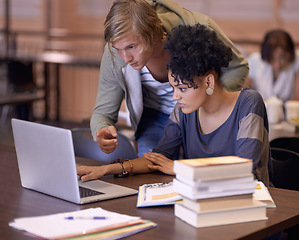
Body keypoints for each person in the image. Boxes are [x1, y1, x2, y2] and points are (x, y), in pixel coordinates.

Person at [78, 23, 271, 187]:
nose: (175, 97)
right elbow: (158, 158)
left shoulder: (248, 103)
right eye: (173, 88)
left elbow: (244, 167)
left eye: (182, 89)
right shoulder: (185, 109)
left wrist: (179, 167)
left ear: (209, 82)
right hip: (201, 202)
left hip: (249, 208)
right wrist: (107, 169)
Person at [91, 0, 248, 157]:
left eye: (131, 47)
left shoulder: (198, 27)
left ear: (152, 34)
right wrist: (101, 128)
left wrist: (211, 102)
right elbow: (103, 112)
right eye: (118, 49)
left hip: (201, 113)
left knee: (206, 171)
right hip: (154, 117)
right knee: (152, 173)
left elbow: (237, 67)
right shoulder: (115, 53)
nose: (125, 58)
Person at [245, 29, 299, 102]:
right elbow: (245, 95)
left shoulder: (297, 61)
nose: (277, 65)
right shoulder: (254, 60)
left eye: (282, 58)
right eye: (272, 59)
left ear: (290, 53)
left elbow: (296, 100)